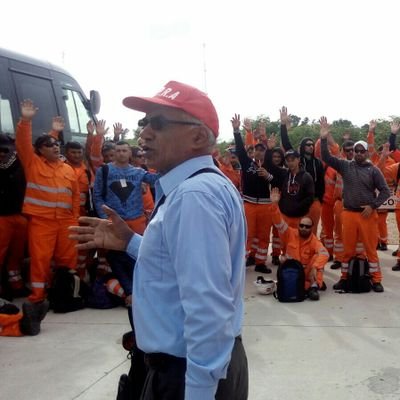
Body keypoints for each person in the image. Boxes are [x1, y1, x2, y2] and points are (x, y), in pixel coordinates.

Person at [70, 80, 248, 400]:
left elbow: (208, 309)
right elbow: (176, 266)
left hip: (188, 377)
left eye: (159, 123)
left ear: (196, 136)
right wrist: (131, 242)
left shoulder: (195, 196)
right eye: (144, 122)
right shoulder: (194, 187)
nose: (145, 133)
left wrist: (197, 393)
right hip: (185, 370)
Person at [16, 99, 80, 306]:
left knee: (67, 260)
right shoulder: (33, 163)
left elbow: (75, 196)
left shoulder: (67, 169)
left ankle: (65, 295)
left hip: (65, 222)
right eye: (50, 145)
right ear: (40, 150)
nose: (55, 147)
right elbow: (23, 143)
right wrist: (25, 121)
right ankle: (37, 298)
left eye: (57, 144)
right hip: (41, 222)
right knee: (40, 260)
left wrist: (75, 220)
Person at [320, 116, 390, 292]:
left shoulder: (373, 170)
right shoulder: (345, 166)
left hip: (367, 214)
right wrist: (323, 138)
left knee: (370, 250)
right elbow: (327, 157)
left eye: (361, 151)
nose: (358, 153)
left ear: (366, 152)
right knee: (347, 250)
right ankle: (345, 278)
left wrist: (372, 205)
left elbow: (385, 191)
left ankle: (376, 279)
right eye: (355, 151)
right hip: (348, 213)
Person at [232, 114, 274, 273]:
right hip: (249, 203)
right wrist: (237, 131)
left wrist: (267, 175)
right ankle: (241, 261)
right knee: (248, 235)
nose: (259, 152)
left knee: (263, 235)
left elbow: (275, 180)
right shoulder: (246, 162)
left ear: (265, 152)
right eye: (257, 149)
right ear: (254, 151)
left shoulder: (270, 164)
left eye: (262, 150)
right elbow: (241, 149)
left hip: (265, 205)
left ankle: (260, 262)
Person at [270, 188, 329, 300]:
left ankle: (314, 286)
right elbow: (278, 223)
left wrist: (315, 267)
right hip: (293, 271)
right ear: (298, 226)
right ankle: (308, 286)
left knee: (319, 260)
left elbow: (325, 254)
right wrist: (274, 205)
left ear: (312, 228)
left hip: (307, 274)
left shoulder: (314, 241)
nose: (303, 228)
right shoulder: (290, 233)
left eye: (307, 226)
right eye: (301, 225)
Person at [280, 106, 325, 233]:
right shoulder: (298, 160)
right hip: (300, 201)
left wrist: (320, 199)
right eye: (308, 145)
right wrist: (283, 125)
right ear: (303, 147)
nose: (311, 147)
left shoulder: (318, 162)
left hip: (315, 201)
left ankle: (311, 252)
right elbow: (286, 142)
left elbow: (321, 181)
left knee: (312, 230)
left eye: (312, 145)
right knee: (298, 231)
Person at [0, 133, 28, 298]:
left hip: (20, 215)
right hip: (2, 217)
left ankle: (16, 284)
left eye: (5, 150)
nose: (2, 154)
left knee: (17, 254)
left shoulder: (20, 163)